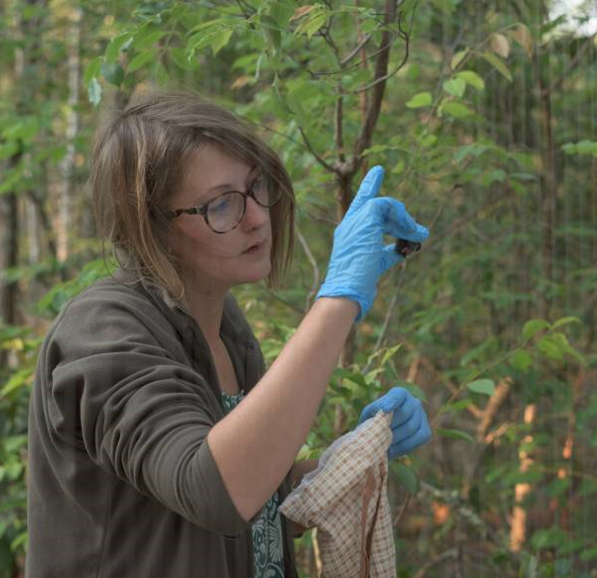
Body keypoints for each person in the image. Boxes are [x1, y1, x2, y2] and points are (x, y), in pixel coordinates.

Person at [26, 88, 432, 578]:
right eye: (221, 205)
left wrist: (348, 457)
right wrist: (339, 299)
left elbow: (255, 503)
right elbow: (216, 492)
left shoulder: (227, 328)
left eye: (257, 187)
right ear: (151, 227)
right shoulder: (102, 332)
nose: (258, 216)